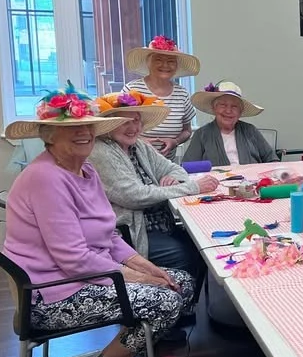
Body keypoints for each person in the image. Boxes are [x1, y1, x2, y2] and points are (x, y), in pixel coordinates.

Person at [2, 83, 195, 357]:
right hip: (51, 292)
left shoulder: (85, 170)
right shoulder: (45, 178)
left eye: (87, 127)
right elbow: (74, 260)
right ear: (48, 136)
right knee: (163, 300)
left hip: (79, 276)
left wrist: (148, 269)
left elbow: (108, 236)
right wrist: (139, 280)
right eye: (72, 129)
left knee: (182, 282)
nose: (83, 134)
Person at [88, 91, 218, 305]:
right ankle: (175, 310)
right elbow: (133, 196)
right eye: (125, 121)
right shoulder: (100, 151)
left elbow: (175, 169)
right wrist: (191, 188)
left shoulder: (137, 146)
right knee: (186, 253)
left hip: (159, 225)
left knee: (205, 244)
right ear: (109, 124)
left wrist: (171, 178)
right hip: (129, 234)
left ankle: (190, 307)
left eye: (137, 120)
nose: (133, 127)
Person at [123, 36, 200, 160]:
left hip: (168, 166)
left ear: (176, 66)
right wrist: (141, 142)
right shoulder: (132, 90)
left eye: (171, 61)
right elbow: (119, 129)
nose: (165, 65)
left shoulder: (182, 94)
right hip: (134, 163)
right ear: (148, 62)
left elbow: (187, 131)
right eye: (158, 60)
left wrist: (175, 141)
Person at [182, 81, 278, 167]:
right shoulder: (202, 134)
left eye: (234, 106)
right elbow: (188, 167)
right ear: (214, 108)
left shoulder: (250, 130)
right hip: (216, 184)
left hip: (251, 183)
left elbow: (271, 158)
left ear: (240, 112)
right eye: (223, 105)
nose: (228, 111)